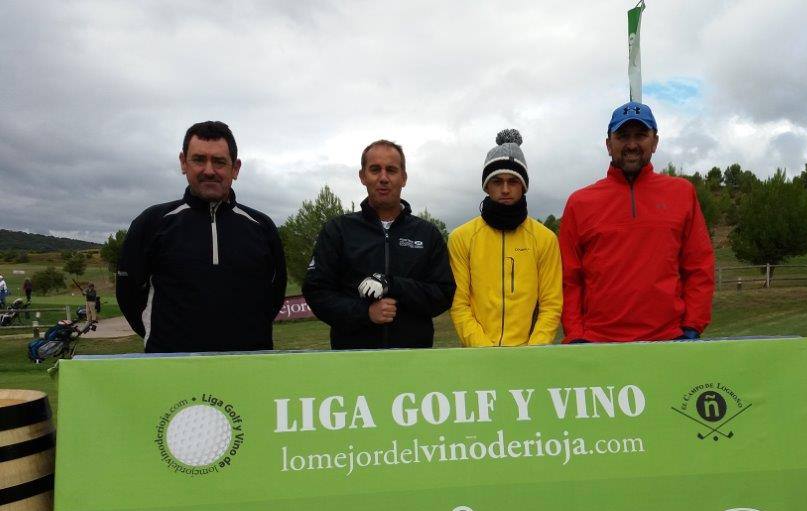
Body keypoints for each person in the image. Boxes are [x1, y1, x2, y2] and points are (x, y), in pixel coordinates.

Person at [116, 121, 286, 353]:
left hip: (250, 365)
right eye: (199, 159)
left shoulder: (262, 226)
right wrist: (162, 338)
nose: (209, 170)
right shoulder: (152, 222)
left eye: (219, 161)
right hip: (170, 366)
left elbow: (274, 295)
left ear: (235, 168)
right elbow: (128, 294)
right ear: (183, 163)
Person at [559, 101, 715, 343]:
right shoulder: (579, 202)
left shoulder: (682, 193)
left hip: (668, 341)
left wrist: (692, 326)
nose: (631, 145)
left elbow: (699, 266)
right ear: (609, 144)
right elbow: (568, 279)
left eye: (641, 135)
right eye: (622, 136)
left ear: (655, 142)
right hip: (598, 344)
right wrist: (576, 335)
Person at [303, 139, 455, 349]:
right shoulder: (338, 230)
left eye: (391, 170)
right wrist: (365, 313)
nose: (383, 178)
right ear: (363, 176)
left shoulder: (427, 234)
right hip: (353, 362)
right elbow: (317, 292)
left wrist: (393, 285)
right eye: (375, 169)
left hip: (414, 362)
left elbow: (443, 294)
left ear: (404, 178)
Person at [448, 130, 561, 347]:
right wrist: (486, 350)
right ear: (487, 186)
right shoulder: (461, 238)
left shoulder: (545, 238)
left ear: (524, 186)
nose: (506, 189)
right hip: (477, 357)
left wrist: (532, 352)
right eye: (497, 181)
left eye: (513, 181)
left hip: (528, 359)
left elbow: (551, 304)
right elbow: (459, 305)